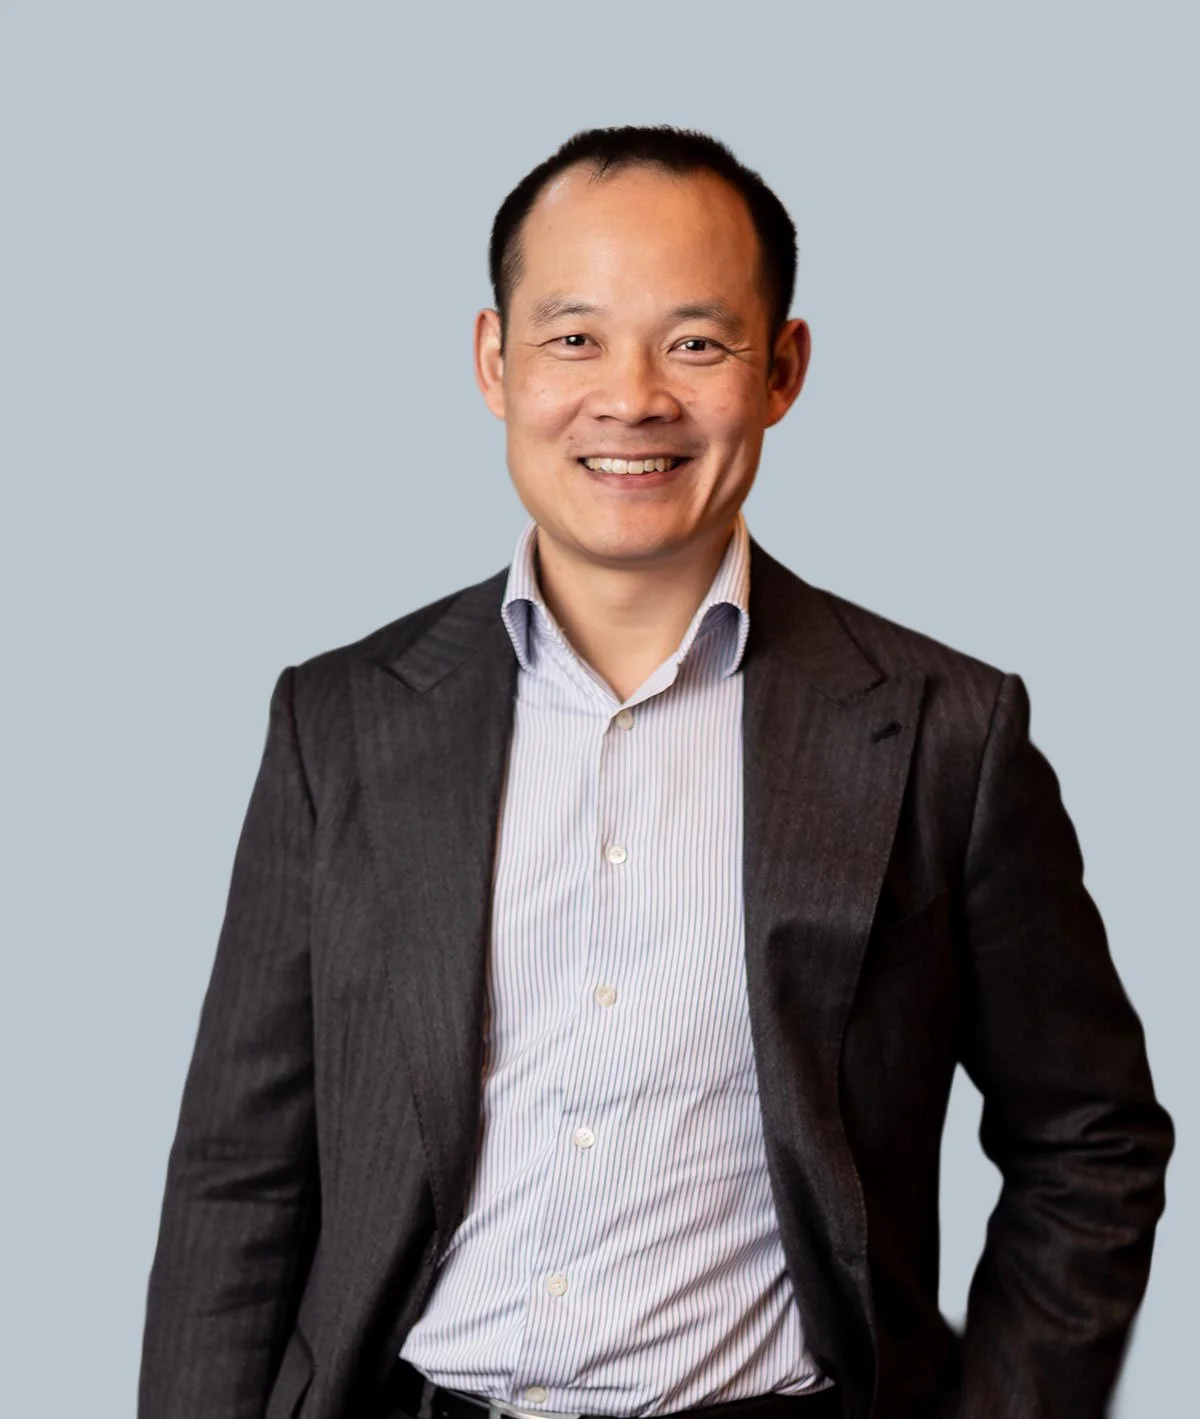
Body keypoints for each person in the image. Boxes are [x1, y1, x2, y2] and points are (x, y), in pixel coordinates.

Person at [138, 126, 1173, 1419]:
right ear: (492, 361)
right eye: (574, 336)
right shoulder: (339, 723)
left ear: (783, 368)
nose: (631, 396)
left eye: (696, 341)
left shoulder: (945, 731)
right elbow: (241, 1171)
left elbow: (1090, 1139)